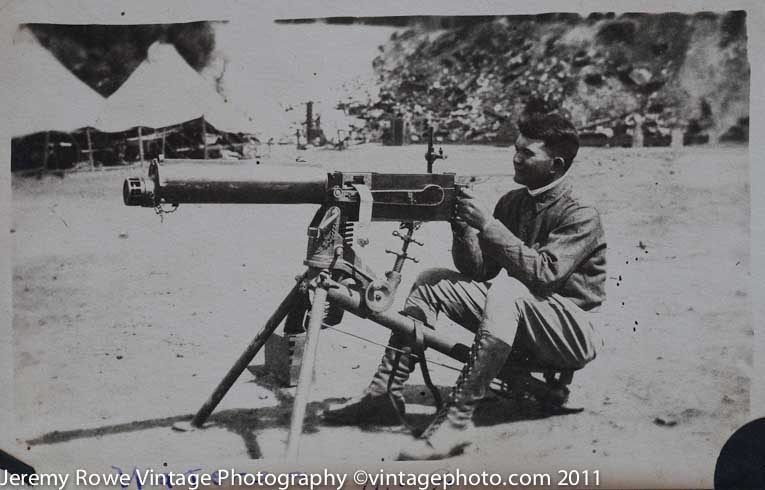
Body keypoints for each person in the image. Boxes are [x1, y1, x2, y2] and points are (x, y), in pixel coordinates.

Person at [323, 112, 607, 460]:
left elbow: (545, 276)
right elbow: (479, 270)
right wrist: (463, 229)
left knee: (509, 291)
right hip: (521, 316)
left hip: (569, 333)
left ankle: (457, 420)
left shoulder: (580, 212)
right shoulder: (513, 202)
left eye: (528, 153)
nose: (516, 157)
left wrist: (487, 224)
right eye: (515, 149)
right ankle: (384, 392)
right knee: (432, 281)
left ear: (556, 164)